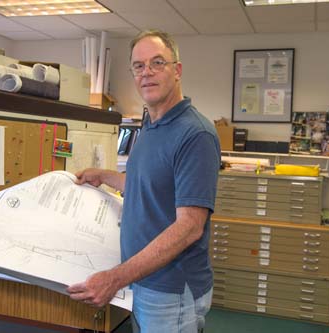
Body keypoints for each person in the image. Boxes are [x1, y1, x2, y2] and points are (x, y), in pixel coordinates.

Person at [67, 29, 221, 333]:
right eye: (139, 66)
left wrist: (115, 277)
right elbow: (152, 188)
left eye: (157, 63)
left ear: (177, 71)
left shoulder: (195, 134)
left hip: (170, 290)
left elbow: (189, 227)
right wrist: (107, 177)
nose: (147, 73)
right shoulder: (150, 123)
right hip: (143, 279)